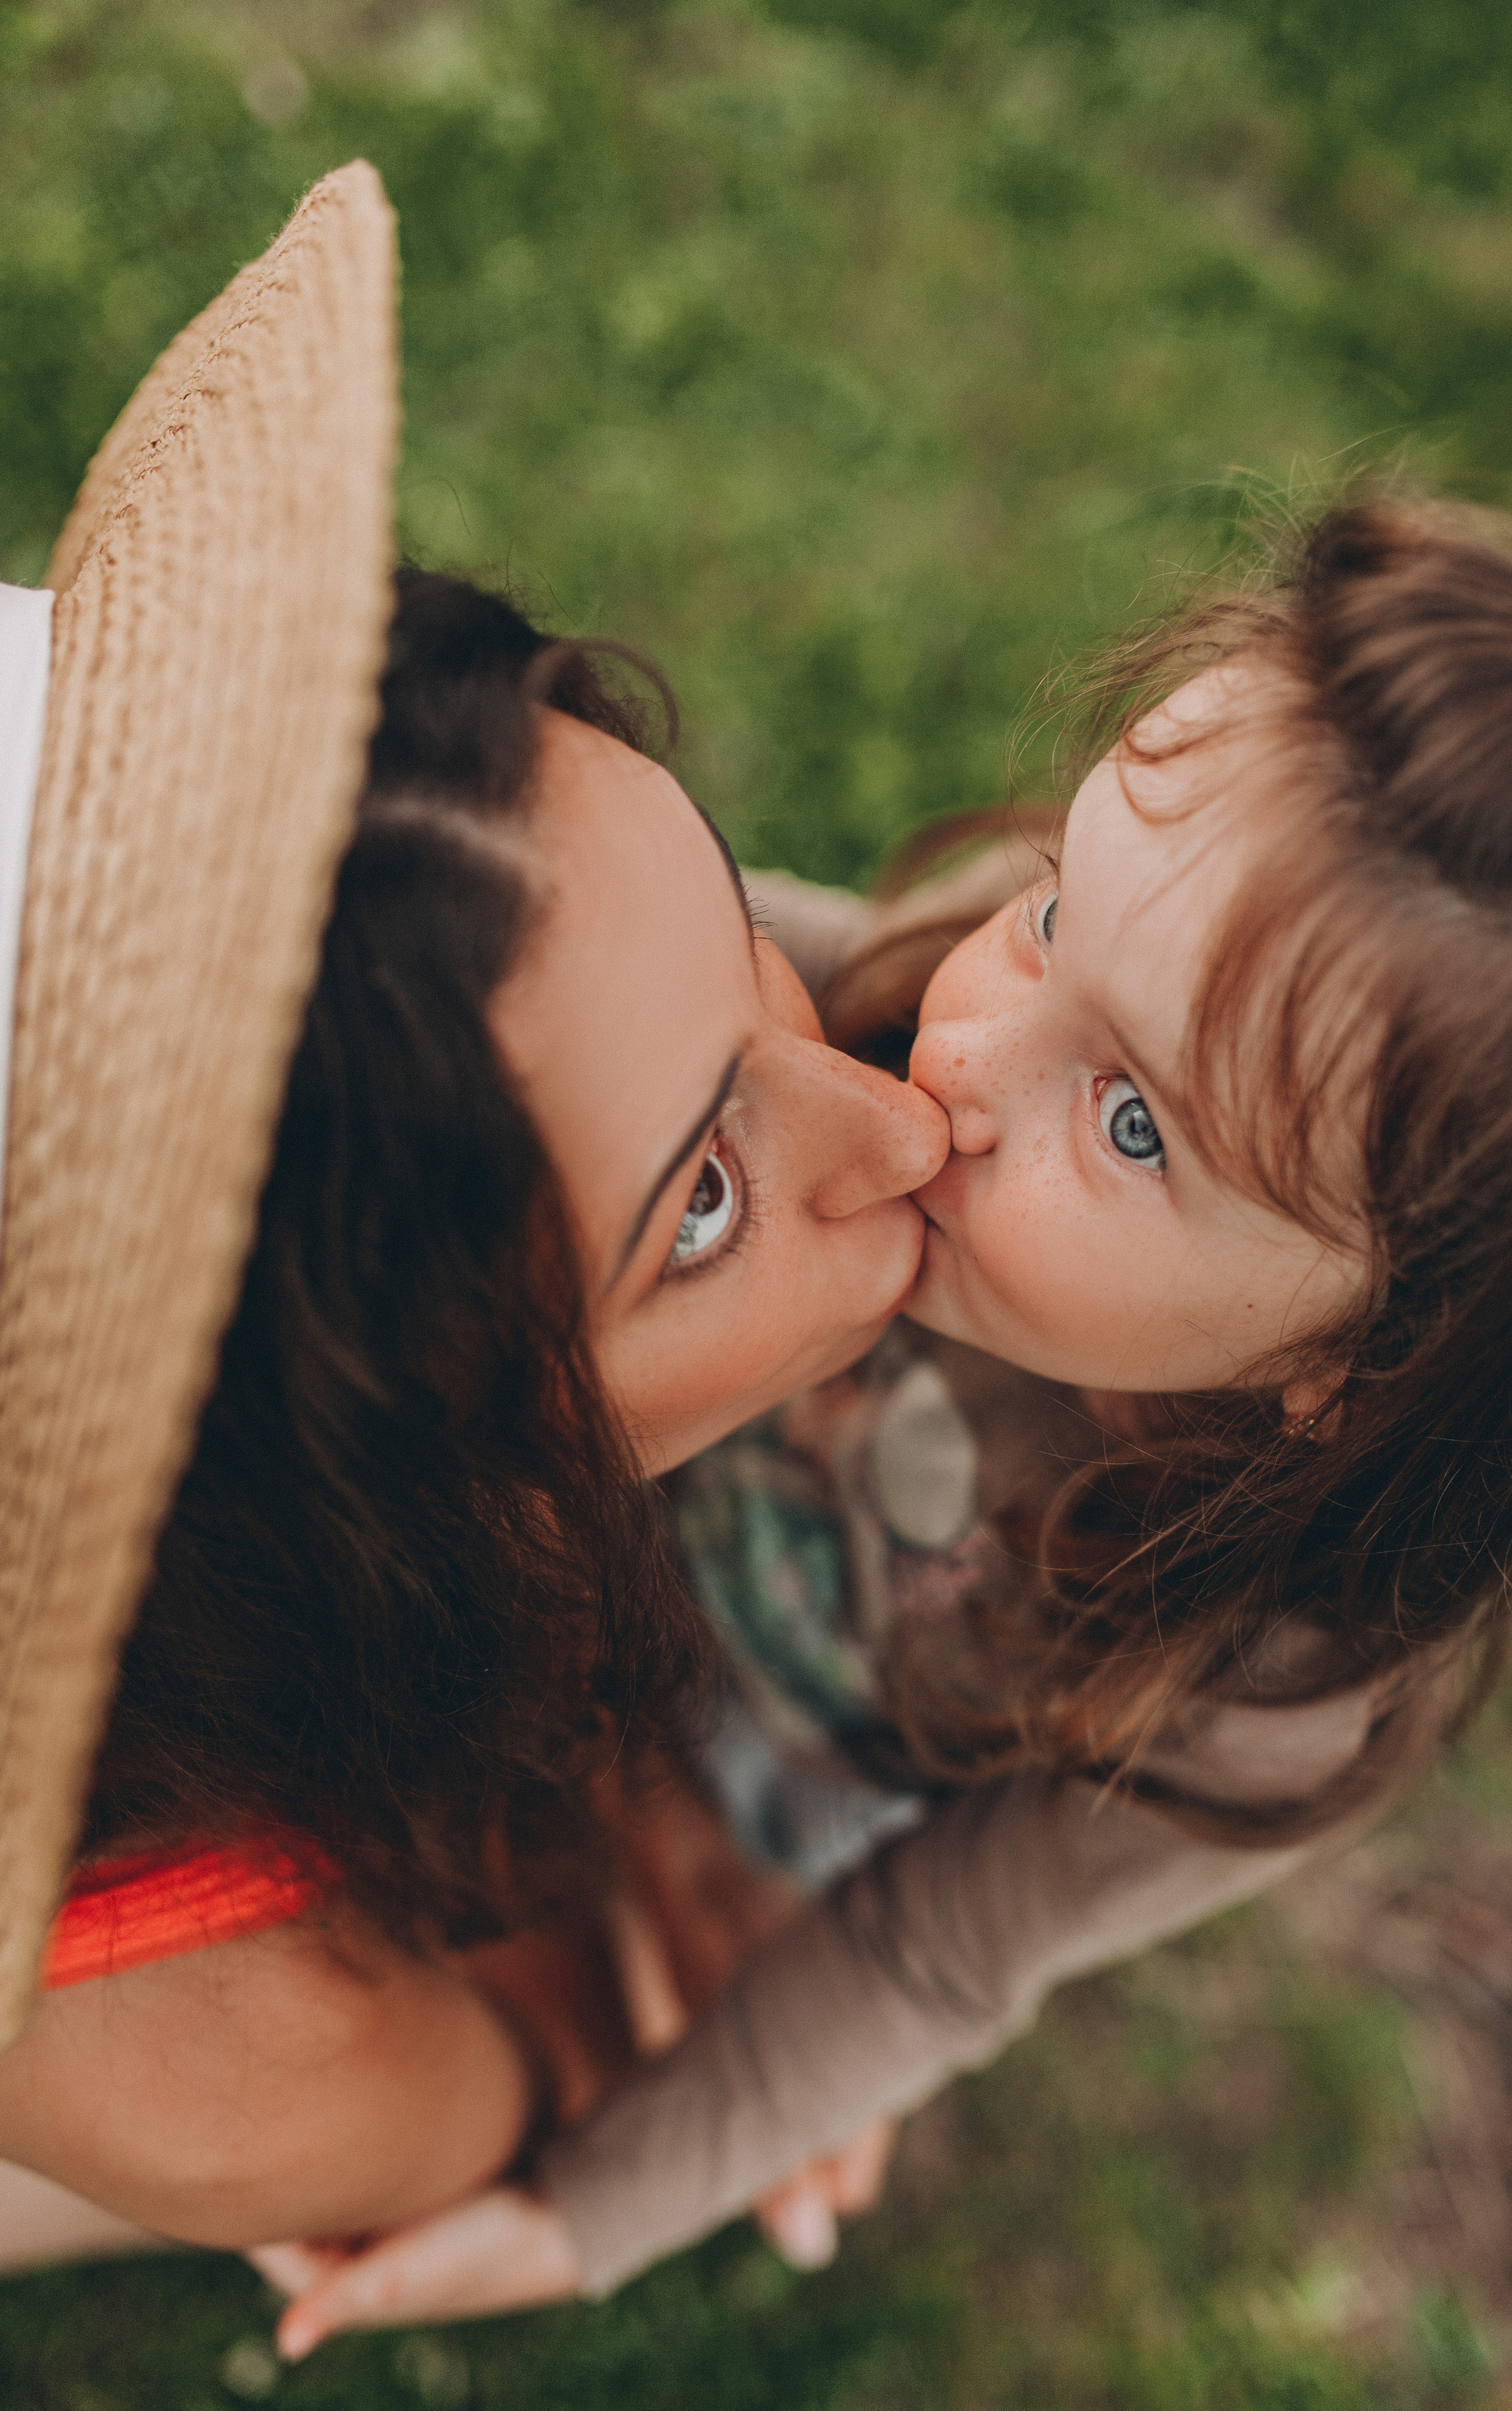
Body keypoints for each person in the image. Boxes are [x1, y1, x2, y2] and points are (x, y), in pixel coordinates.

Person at [273, 494, 1512, 2350]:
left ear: (1361, 1366)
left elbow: (933, 1948)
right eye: (1054, 909)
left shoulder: (1271, 1679)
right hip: (573, 1570)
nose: (963, 1056)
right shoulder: (923, 1013)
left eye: (1133, 1123)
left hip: (776, 1780)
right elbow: (658, 1011)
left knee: (462, 2022)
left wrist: (592, 2213)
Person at [0, 163, 951, 2263]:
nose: (899, 1132)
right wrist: (685, 1962)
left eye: (737, 921)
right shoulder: (195, 2029)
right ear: (341, 1502)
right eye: (701, 1203)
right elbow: (519, 2076)